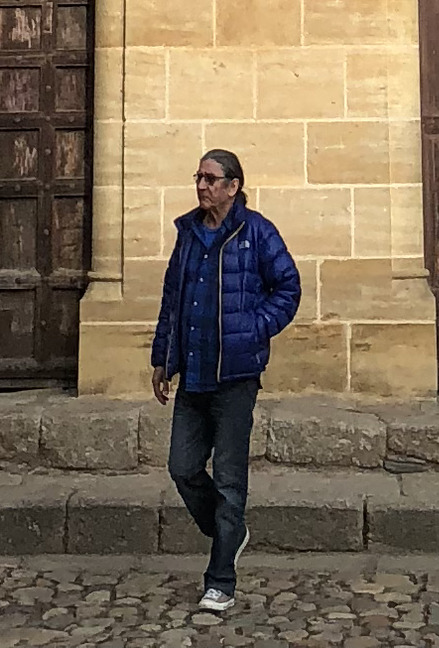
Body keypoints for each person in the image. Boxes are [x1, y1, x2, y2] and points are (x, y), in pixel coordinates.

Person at [150, 148, 300, 616]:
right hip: (194, 373)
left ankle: (220, 580)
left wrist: (254, 328)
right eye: (198, 177)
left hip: (236, 376)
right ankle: (229, 532)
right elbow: (172, 298)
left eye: (211, 179)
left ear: (233, 186)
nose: (202, 186)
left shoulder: (258, 233)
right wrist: (162, 360)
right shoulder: (189, 234)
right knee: (182, 467)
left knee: (232, 480)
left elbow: (289, 288)